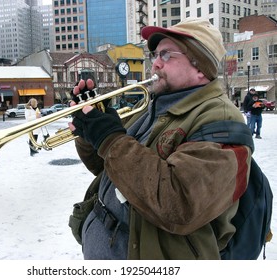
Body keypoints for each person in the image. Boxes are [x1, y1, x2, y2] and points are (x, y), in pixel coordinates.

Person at [68, 18, 252, 260]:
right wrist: (90, 127)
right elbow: (107, 168)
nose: (154, 64)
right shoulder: (156, 107)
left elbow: (180, 203)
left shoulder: (220, 119)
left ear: (200, 66)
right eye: (155, 55)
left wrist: (110, 138)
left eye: (166, 55)